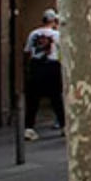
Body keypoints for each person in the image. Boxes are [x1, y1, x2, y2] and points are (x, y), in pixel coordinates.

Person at [22, 9, 63, 141]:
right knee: (56, 97)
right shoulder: (57, 35)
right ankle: (64, 126)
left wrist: (27, 68)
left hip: (36, 66)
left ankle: (29, 128)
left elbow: (27, 52)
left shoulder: (33, 33)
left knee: (33, 99)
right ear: (54, 21)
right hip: (52, 67)